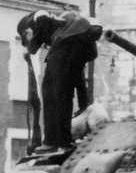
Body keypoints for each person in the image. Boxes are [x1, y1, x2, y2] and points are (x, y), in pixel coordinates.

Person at [17, 10, 102, 152]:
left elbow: (42, 19)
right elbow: (78, 78)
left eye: (27, 38)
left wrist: (30, 50)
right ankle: (63, 140)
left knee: (50, 89)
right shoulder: (61, 26)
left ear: (27, 31)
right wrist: (83, 105)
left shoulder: (36, 16)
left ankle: (53, 141)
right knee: (64, 89)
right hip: (84, 43)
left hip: (69, 38)